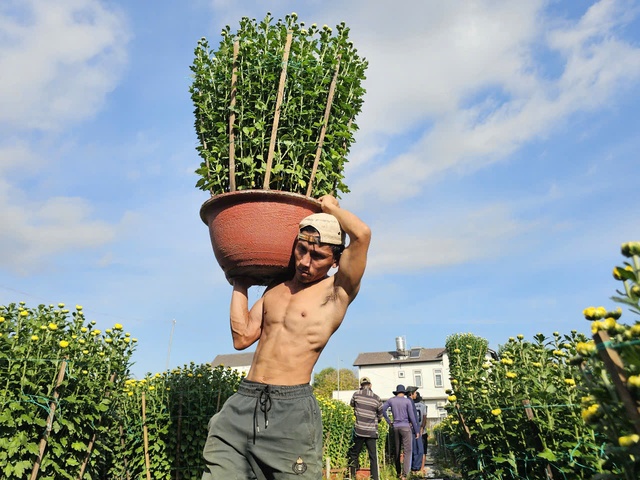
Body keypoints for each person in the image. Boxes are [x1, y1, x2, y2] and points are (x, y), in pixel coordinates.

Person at [201, 194, 371, 480]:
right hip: (243, 402)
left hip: (290, 411)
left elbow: (362, 235)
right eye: (301, 250)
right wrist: (239, 282)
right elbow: (242, 337)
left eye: (317, 256)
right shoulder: (276, 289)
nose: (305, 261)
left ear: (335, 261)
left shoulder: (337, 292)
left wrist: (331, 209)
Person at [347, 377, 383, 480]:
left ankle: (352, 476)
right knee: (373, 457)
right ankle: (375, 478)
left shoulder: (356, 394)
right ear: (370, 385)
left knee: (354, 454)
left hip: (359, 430)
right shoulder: (377, 398)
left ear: (361, 385)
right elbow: (380, 415)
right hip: (372, 431)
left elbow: (352, 405)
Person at [381, 384, 419, 480]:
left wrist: (389, 421)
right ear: (404, 393)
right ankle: (405, 475)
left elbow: (382, 409)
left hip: (396, 427)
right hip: (406, 427)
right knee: (407, 451)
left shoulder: (391, 400)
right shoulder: (407, 401)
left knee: (397, 450)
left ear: (397, 392)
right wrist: (417, 430)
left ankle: (398, 472)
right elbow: (412, 417)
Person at [409, 389, 427, 474]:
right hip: (421, 430)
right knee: (423, 451)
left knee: (413, 449)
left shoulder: (410, 405)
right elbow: (424, 418)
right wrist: (422, 427)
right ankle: (421, 468)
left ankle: (413, 468)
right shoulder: (423, 405)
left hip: (412, 430)